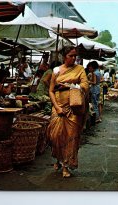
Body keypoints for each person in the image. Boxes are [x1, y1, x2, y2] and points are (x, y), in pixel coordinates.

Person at [47, 46, 89, 178]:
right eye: (71, 55)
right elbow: (51, 90)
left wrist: (70, 85)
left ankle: (66, 165)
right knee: (56, 136)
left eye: (75, 56)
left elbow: (85, 86)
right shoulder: (56, 71)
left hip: (74, 108)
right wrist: (57, 107)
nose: (73, 58)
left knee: (71, 137)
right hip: (58, 106)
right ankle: (58, 159)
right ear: (64, 57)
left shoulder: (80, 69)